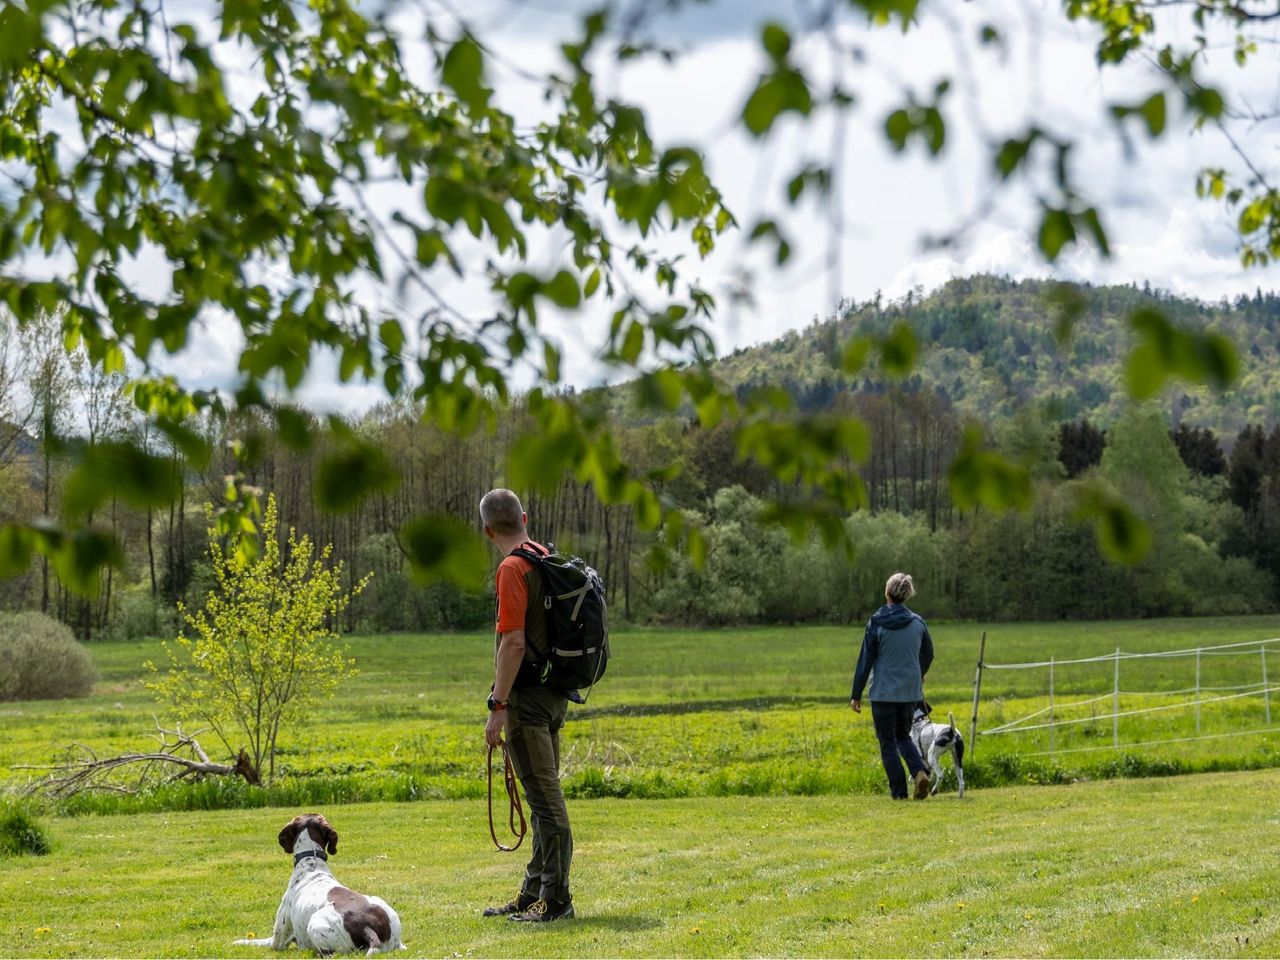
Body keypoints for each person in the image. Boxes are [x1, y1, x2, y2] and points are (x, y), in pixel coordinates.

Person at [478, 488, 575, 923]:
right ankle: (533, 891)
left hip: (528, 702)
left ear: (486, 530)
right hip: (554, 695)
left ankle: (556, 902)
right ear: (525, 516)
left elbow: (514, 643)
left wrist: (499, 705)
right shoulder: (543, 557)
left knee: (547, 802)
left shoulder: (512, 568)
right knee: (540, 799)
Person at [849, 572, 935, 800]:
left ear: (887, 593)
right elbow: (928, 653)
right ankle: (919, 772)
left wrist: (856, 694)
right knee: (903, 736)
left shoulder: (876, 623)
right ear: (906, 595)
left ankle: (899, 793)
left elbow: (865, 660)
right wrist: (919, 673)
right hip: (909, 692)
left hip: (883, 693)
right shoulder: (918, 623)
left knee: (887, 742)